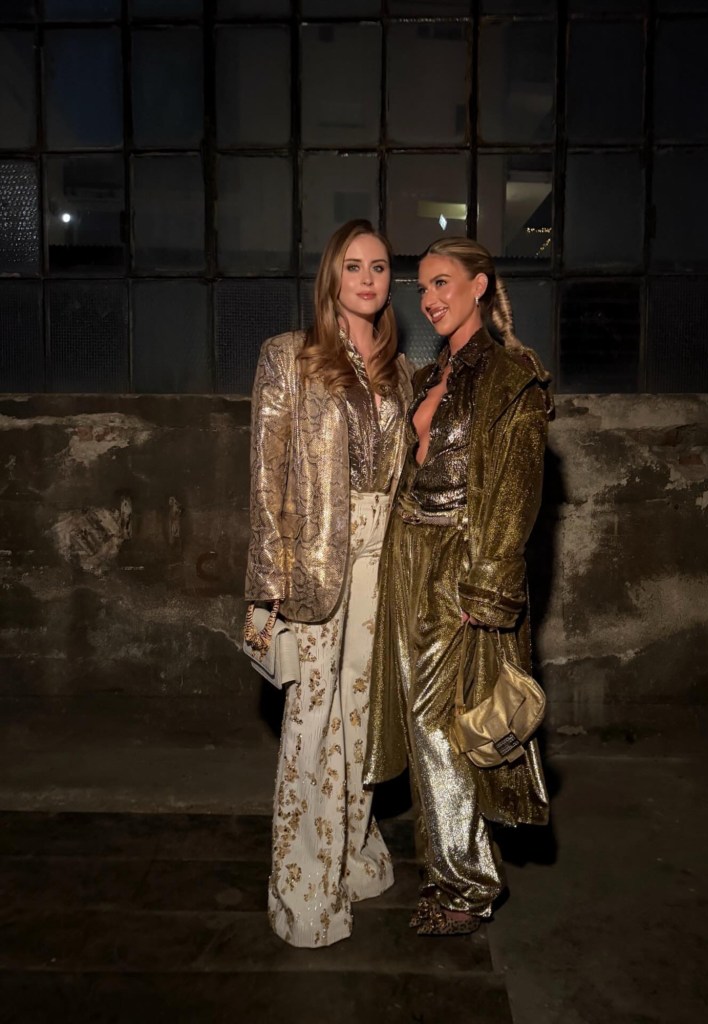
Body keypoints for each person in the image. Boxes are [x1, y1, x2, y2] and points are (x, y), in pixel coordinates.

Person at [364, 236, 553, 936]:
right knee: (422, 725)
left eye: (442, 283)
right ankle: (452, 872)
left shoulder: (511, 378)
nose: (429, 299)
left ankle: (466, 887)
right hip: (406, 558)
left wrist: (489, 586)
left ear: (480, 286)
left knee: (438, 724)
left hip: (460, 564)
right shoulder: (428, 373)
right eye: (422, 288)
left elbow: (517, 493)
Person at [245, 219, 413, 947]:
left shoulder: (401, 371)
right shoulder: (289, 356)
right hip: (312, 566)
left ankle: (348, 854)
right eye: (354, 266)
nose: (368, 279)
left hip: (384, 563)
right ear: (331, 276)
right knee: (311, 722)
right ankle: (302, 889)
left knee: (362, 720)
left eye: (378, 267)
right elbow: (265, 477)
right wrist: (269, 581)